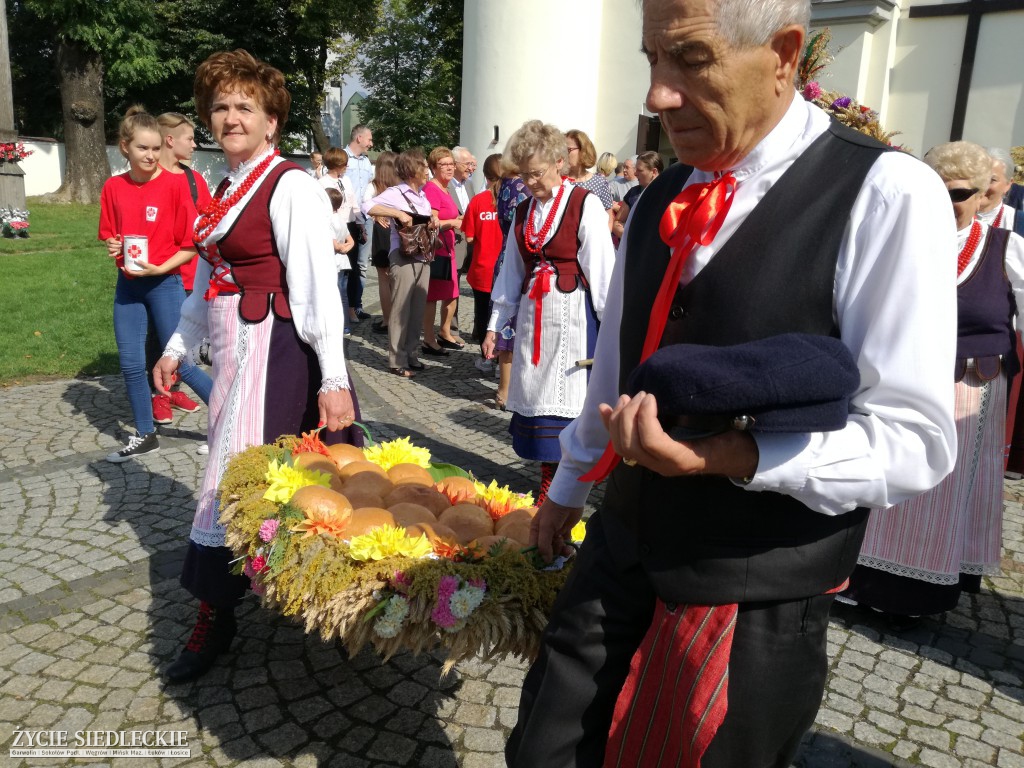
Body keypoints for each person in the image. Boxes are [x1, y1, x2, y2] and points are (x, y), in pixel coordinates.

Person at [504, 1, 958, 766]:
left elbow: (915, 439)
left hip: (750, 587)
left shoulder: (886, 193)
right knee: (543, 750)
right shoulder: (655, 200)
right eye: (652, 59)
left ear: (783, 54)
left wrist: (734, 459)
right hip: (622, 546)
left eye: (690, 58)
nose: (657, 93)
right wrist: (569, 487)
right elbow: (614, 373)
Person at [154, 50, 363, 683]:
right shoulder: (225, 188)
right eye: (219, 107)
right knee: (257, 475)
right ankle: (247, 599)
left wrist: (333, 378)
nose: (230, 117)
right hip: (236, 350)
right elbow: (206, 283)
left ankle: (226, 608)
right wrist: (175, 348)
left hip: (279, 354)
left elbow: (315, 288)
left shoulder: (288, 183)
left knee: (251, 474)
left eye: (246, 106)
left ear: (273, 121)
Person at [842, 141, 1024, 623]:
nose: (947, 203)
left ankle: (914, 597)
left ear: (984, 194)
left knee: (937, 489)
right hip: (897, 375)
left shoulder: (1006, 249)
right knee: (882, 473)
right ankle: (857, 580)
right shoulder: (900, 241)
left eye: (959, 194)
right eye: (936, 191)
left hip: (968, 386)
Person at [482, 120, 615, 504]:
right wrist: (496, 325)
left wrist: (610, 331)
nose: (530, 182)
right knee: (538, 401)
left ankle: (564, 490)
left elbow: (603, 273)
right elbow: (511, 272)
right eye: (524, 175)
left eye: (536, 173)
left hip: (572, 319)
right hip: (533, 316)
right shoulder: (524, 211)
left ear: (560, 162)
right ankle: (549, 485)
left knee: (571, 404)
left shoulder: (584, 204)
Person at [98, 106, 213, 463]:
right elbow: (110, 235)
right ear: (125, 148)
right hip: (128, 287)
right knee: (132, 364)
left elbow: (192, 244)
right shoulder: (113, 187)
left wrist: (160, 267)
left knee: (181, 362)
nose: (149, 156)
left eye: (153, 148)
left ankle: (230, 421)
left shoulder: (176, 185)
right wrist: (114, 246)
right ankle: (146, 435)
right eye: (141, 149)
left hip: (165, 283)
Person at [147, 112, 213, 433]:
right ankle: (158, 395)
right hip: (160, 275)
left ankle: (170, 392)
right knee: (159, 339)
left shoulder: (194, 178)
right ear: (170, 140)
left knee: (178, 341)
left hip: (194, 273)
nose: (195, 143)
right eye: (189, 138)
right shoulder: (148, 177)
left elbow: (211, 219)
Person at [362, 149, 439, 378]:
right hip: (403, 256)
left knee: (416, 309)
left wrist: (433, 220)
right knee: (401, 309)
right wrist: (396, 213)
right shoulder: (397, 192)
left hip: (423, 255)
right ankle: (397, 360)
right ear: (412, 169)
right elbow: (367, 206)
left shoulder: (422, 194)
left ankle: (411, 354)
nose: (427, 170)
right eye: (424, 166)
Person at [489, 155, 532, 404]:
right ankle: (506, 388)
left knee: (505, 318)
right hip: (518, 256)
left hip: (505, 254)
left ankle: (503, 382)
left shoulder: (504, 184)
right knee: (512, 323)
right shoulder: (520, 187)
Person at [422, 146, 463, 355]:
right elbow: (432, 222)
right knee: (433, 296)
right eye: (443, 164)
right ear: (433, 168)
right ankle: (428, 339)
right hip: (437, 249)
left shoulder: (447, 188)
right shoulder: (432, 189)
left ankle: (445, 332)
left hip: (449, 248)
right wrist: (454, 222)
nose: (449, 167)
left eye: (451, 164)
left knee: (452, 292)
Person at [461, 153, 503, 356]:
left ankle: (485, 357)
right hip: (505, 270)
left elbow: (469, 237)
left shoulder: (478, 201)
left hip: (483, 269)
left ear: (485, 176)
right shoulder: (517, 201)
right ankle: (502, 361)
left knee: (483, 315)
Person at [319, 146, 359, 328]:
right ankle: (336, 316)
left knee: (350, 270)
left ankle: (350, 308)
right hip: (332, 227)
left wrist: (360, 223)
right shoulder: (322, 182)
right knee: (334, 275)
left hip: (348, 226)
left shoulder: (347, 180)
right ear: (336, 164)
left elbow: (353, 203)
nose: (347, 166)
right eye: (344, 163)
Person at [363, 150, 400, 336]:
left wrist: (376, 214)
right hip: (397, 230)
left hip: (381, 231)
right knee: (395, 278)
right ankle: (396, 319)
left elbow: (364, 204)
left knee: (383, 278)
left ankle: (387, 320)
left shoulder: (374, 186)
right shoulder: (400, 187)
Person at [345, 124, 375, 323]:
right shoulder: (341, 158)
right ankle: (345, 307)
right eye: (369, 139)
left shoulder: (366, 163)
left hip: (362, 217)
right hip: (345, 218)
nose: (371, 144)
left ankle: (356, 305)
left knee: (361, 265)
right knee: (346, 265)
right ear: (359, 138)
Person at [565, 128, 616, 230]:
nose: (563, 154)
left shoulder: (599, 182)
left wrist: (602, 242)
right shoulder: (557, 181)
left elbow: (608, 217)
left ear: (583, 151)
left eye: (568, 150)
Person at [324, 186, 356, 335]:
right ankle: (346, 326)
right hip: (343, 262)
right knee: (342, 295)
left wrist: (340, 248)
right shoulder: (340, 219)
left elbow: (334, 244)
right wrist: (346, 248)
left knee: (334, 294)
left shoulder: (327, 220)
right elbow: (351, 240)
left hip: (334, 263)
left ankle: (339, 325)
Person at [613, 150, 663, 242]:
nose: (635, 173)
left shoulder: (667, 195)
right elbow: (617, 222)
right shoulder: (633, 193)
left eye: (640, 170)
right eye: (635, 170)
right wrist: (630, 237)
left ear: (654, 172)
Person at [980, 147, 1024, 235]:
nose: (981, 185)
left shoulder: (1018, 223)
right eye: (978, 177)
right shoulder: (952, 215)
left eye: (991, 180)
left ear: (1008, 184)